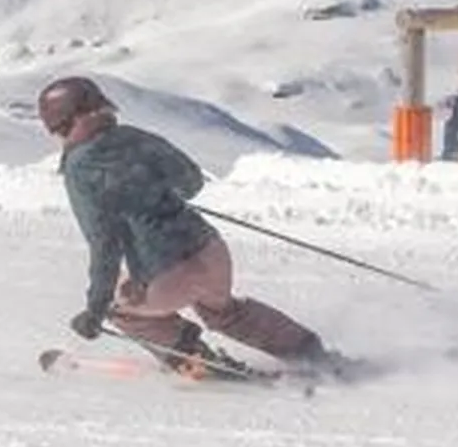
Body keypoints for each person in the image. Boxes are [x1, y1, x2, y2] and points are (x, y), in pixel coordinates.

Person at [40, 74, 330, 373]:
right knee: (224, 312)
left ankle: (198, 362)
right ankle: (308, 352)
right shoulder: (135, 136)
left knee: (122, 311)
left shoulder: (79, 169)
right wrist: (156, 192)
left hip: (166, 276)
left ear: (63, 123)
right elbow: (191, 182)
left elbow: (105, 245)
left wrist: (95, 310)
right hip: (210, 251)